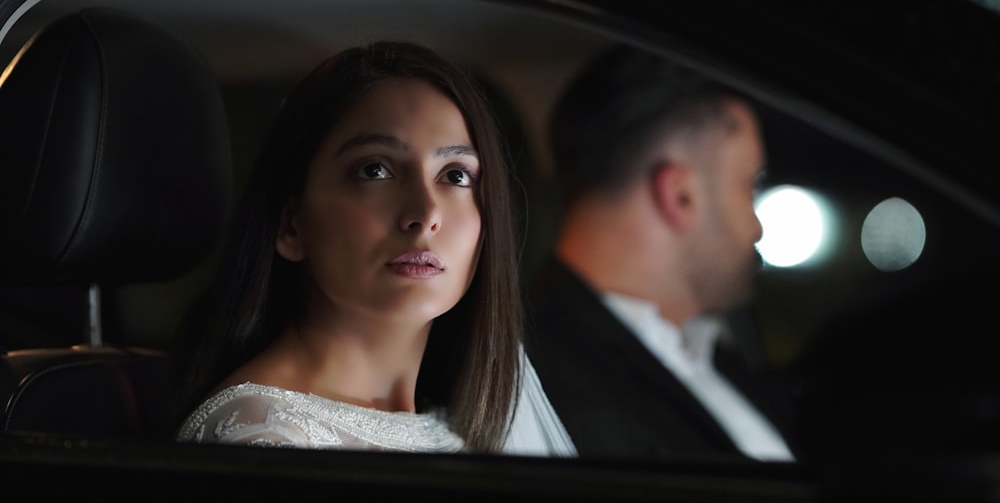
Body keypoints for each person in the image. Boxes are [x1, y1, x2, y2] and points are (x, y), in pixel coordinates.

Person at [171, 41, 574, 455]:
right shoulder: (262, 439)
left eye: (455, 176)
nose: (425, 212)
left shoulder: (474, 420)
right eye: (375, 169)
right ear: (292, 226)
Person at [525, 45, 799, 462]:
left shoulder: (714, 357)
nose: (756, 227)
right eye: (749, 187)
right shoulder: (539, 384)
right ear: (680, 195)